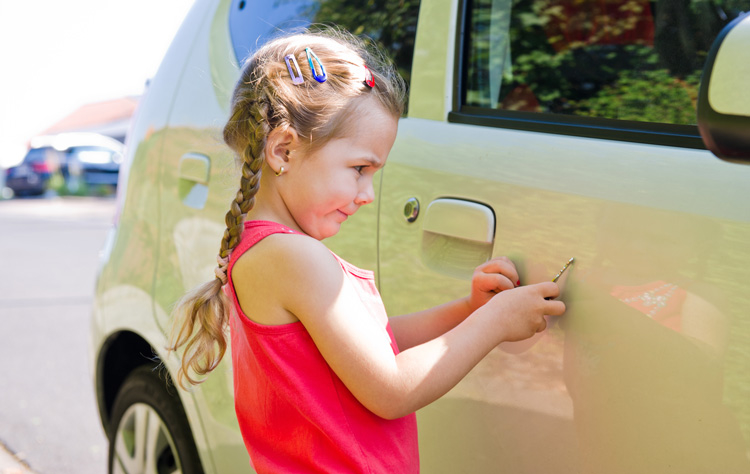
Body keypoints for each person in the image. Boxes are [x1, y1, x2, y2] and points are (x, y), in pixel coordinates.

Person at [167, 28, 565, 473]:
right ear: (282, 149)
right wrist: (495, 322)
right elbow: (391, 389)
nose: (367, 194)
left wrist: (468, 310)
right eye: (359, 168)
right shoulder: (292, 257)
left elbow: (373, 346)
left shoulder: (266, 251)